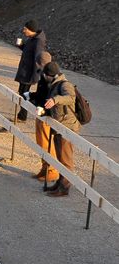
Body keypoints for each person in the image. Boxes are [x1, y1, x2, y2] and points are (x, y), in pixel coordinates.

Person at [42, 62, 80, 197]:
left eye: (45, 75)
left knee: (66, 160)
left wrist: (55, 99)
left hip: (67, 128)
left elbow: (70, 98)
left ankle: (64, 188)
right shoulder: (54, 84)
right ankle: (60, 183)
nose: (44, 77)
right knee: (60, 158)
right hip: (59, 126)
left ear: (50, 75)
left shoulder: (65, 84)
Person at [27, 52, 59, 182]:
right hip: (40, 112)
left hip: (47, 116)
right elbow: (41, 94)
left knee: (46, 142)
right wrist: (31, 96)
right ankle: (45, 167)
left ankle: (52, 170)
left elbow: (49, 96)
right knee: (41, 142)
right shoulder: (43, 75)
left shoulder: (50, 78)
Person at [14, 20, 47, 121]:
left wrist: (35, 77)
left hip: (28, 74)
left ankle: (23, 116)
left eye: (25, 29)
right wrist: (21, 46)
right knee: (22, 92)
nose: (23, 31)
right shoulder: (32, 39)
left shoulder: (38, 42)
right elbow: (28, 52)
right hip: (25, 72)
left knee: (25, 94)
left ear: (31, 30)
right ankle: (22, 114)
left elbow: (38, 59)